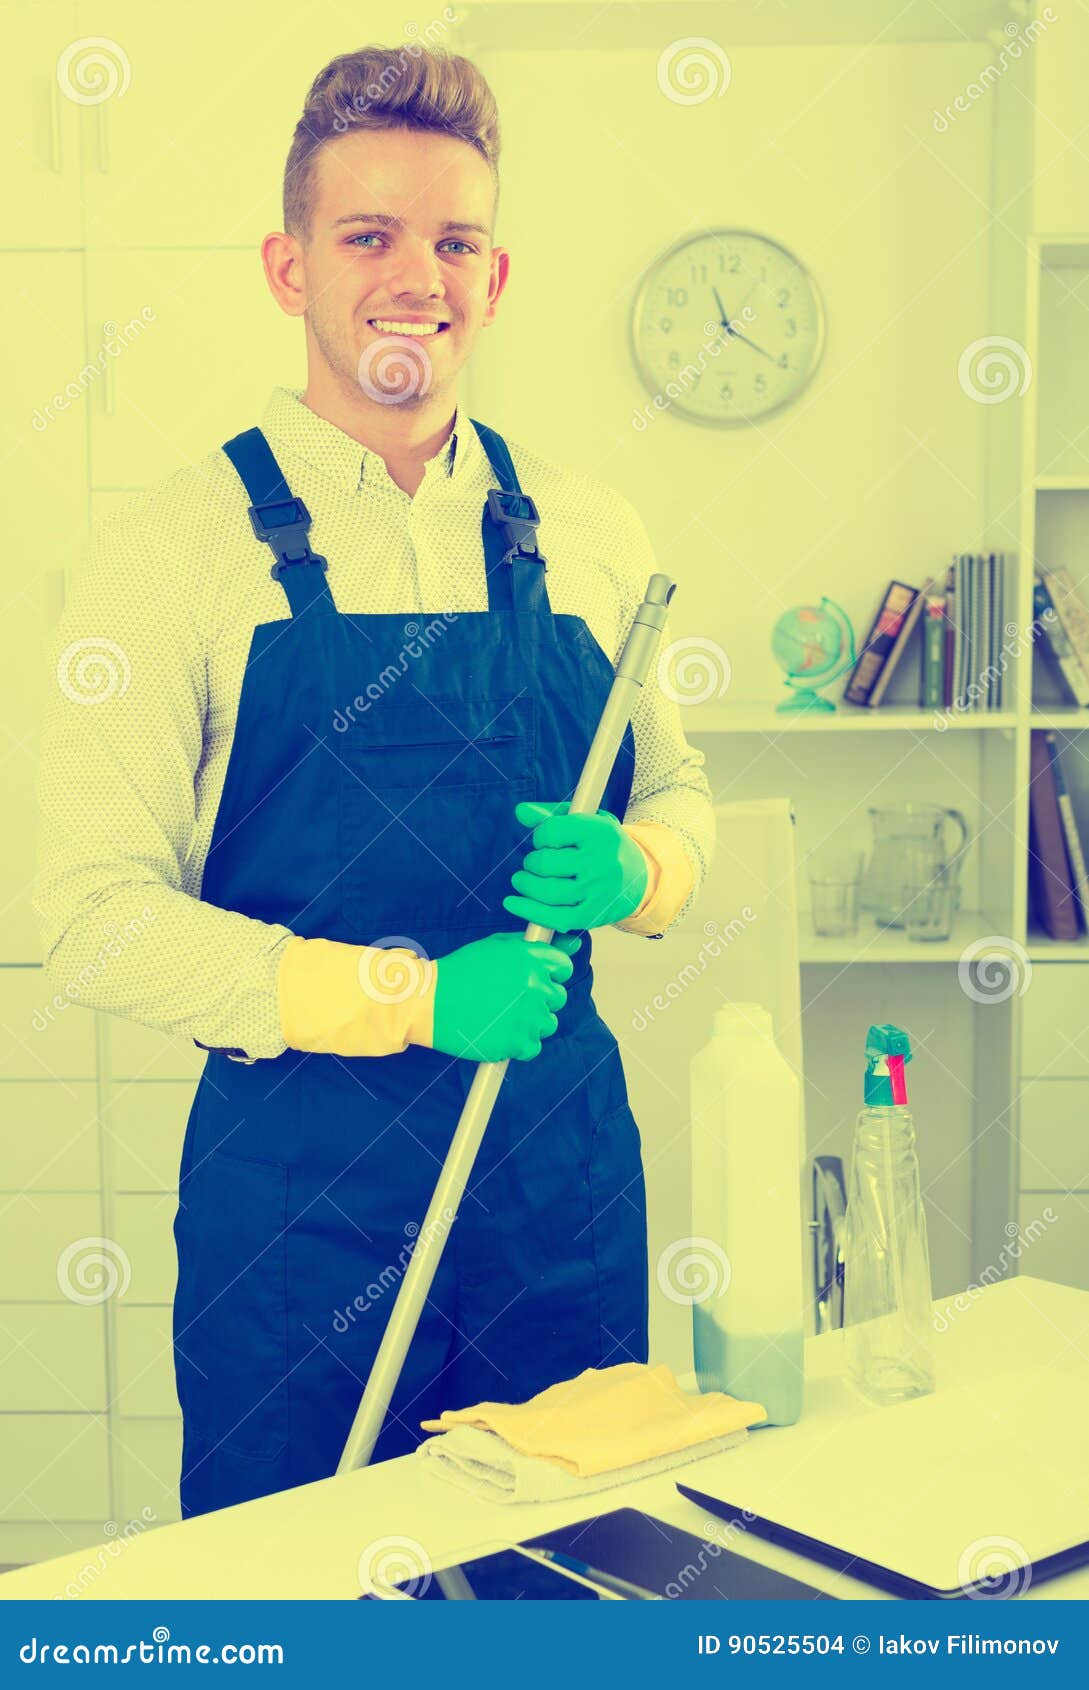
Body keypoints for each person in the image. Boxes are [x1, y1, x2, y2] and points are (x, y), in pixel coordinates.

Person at [34, 44, 714, 1519]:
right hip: (300, 1218)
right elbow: (82, 912)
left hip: (558, 1194)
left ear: (497, 273)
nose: (418, 275)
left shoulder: (588, 531)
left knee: (568, 1584)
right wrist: (409, 997)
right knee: (306, 1604)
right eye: (369, 236)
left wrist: (641, 872)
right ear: (288, 267)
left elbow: (682, 795)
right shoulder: (171, 546)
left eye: (454, 241)